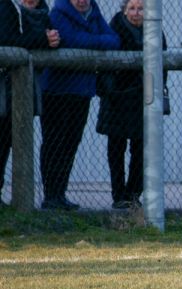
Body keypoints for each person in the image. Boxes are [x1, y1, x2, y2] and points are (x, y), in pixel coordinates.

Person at [39, 0, 119, 210]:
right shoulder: (59, 13)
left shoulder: (93, 11)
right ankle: (51, 195)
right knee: (54, 142)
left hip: (82, 91)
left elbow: (114, 40)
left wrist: (88, 41)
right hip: (57, 90)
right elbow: (70, 39)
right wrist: (95, 41)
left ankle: (61, 194)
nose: (82, 0)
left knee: (71, 142)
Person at [96, 0, 167, 210]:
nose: (137, 13)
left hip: (143, 100)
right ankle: (118, 195)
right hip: (117, 99)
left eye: (141, 8)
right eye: (132, 8)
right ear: (124, 11)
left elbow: (163, 67)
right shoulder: (113, 31)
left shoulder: (155, 32)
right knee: (116, 150)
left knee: (142, 150)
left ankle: (133, 194)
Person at [0, 0, 60, 206]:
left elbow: (48, 38)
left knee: (7, 142)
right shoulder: (6, 7)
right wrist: (42, 39)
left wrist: (52, 39)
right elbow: (7, 38)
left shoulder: (43, 12)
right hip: (4, 87)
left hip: (21, 92)